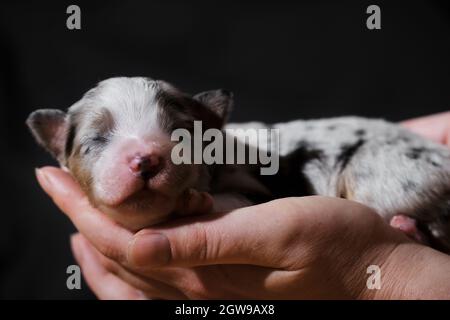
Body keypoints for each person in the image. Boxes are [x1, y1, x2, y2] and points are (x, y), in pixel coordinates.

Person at [35, 112, 450, 299]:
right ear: (62, 151)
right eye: (96, 142)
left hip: (378, 160)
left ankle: (426, 233)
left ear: (205, 136)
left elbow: (252, 209)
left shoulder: (228, 159)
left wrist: (395, 274)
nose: (143, 158)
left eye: (176, 137)